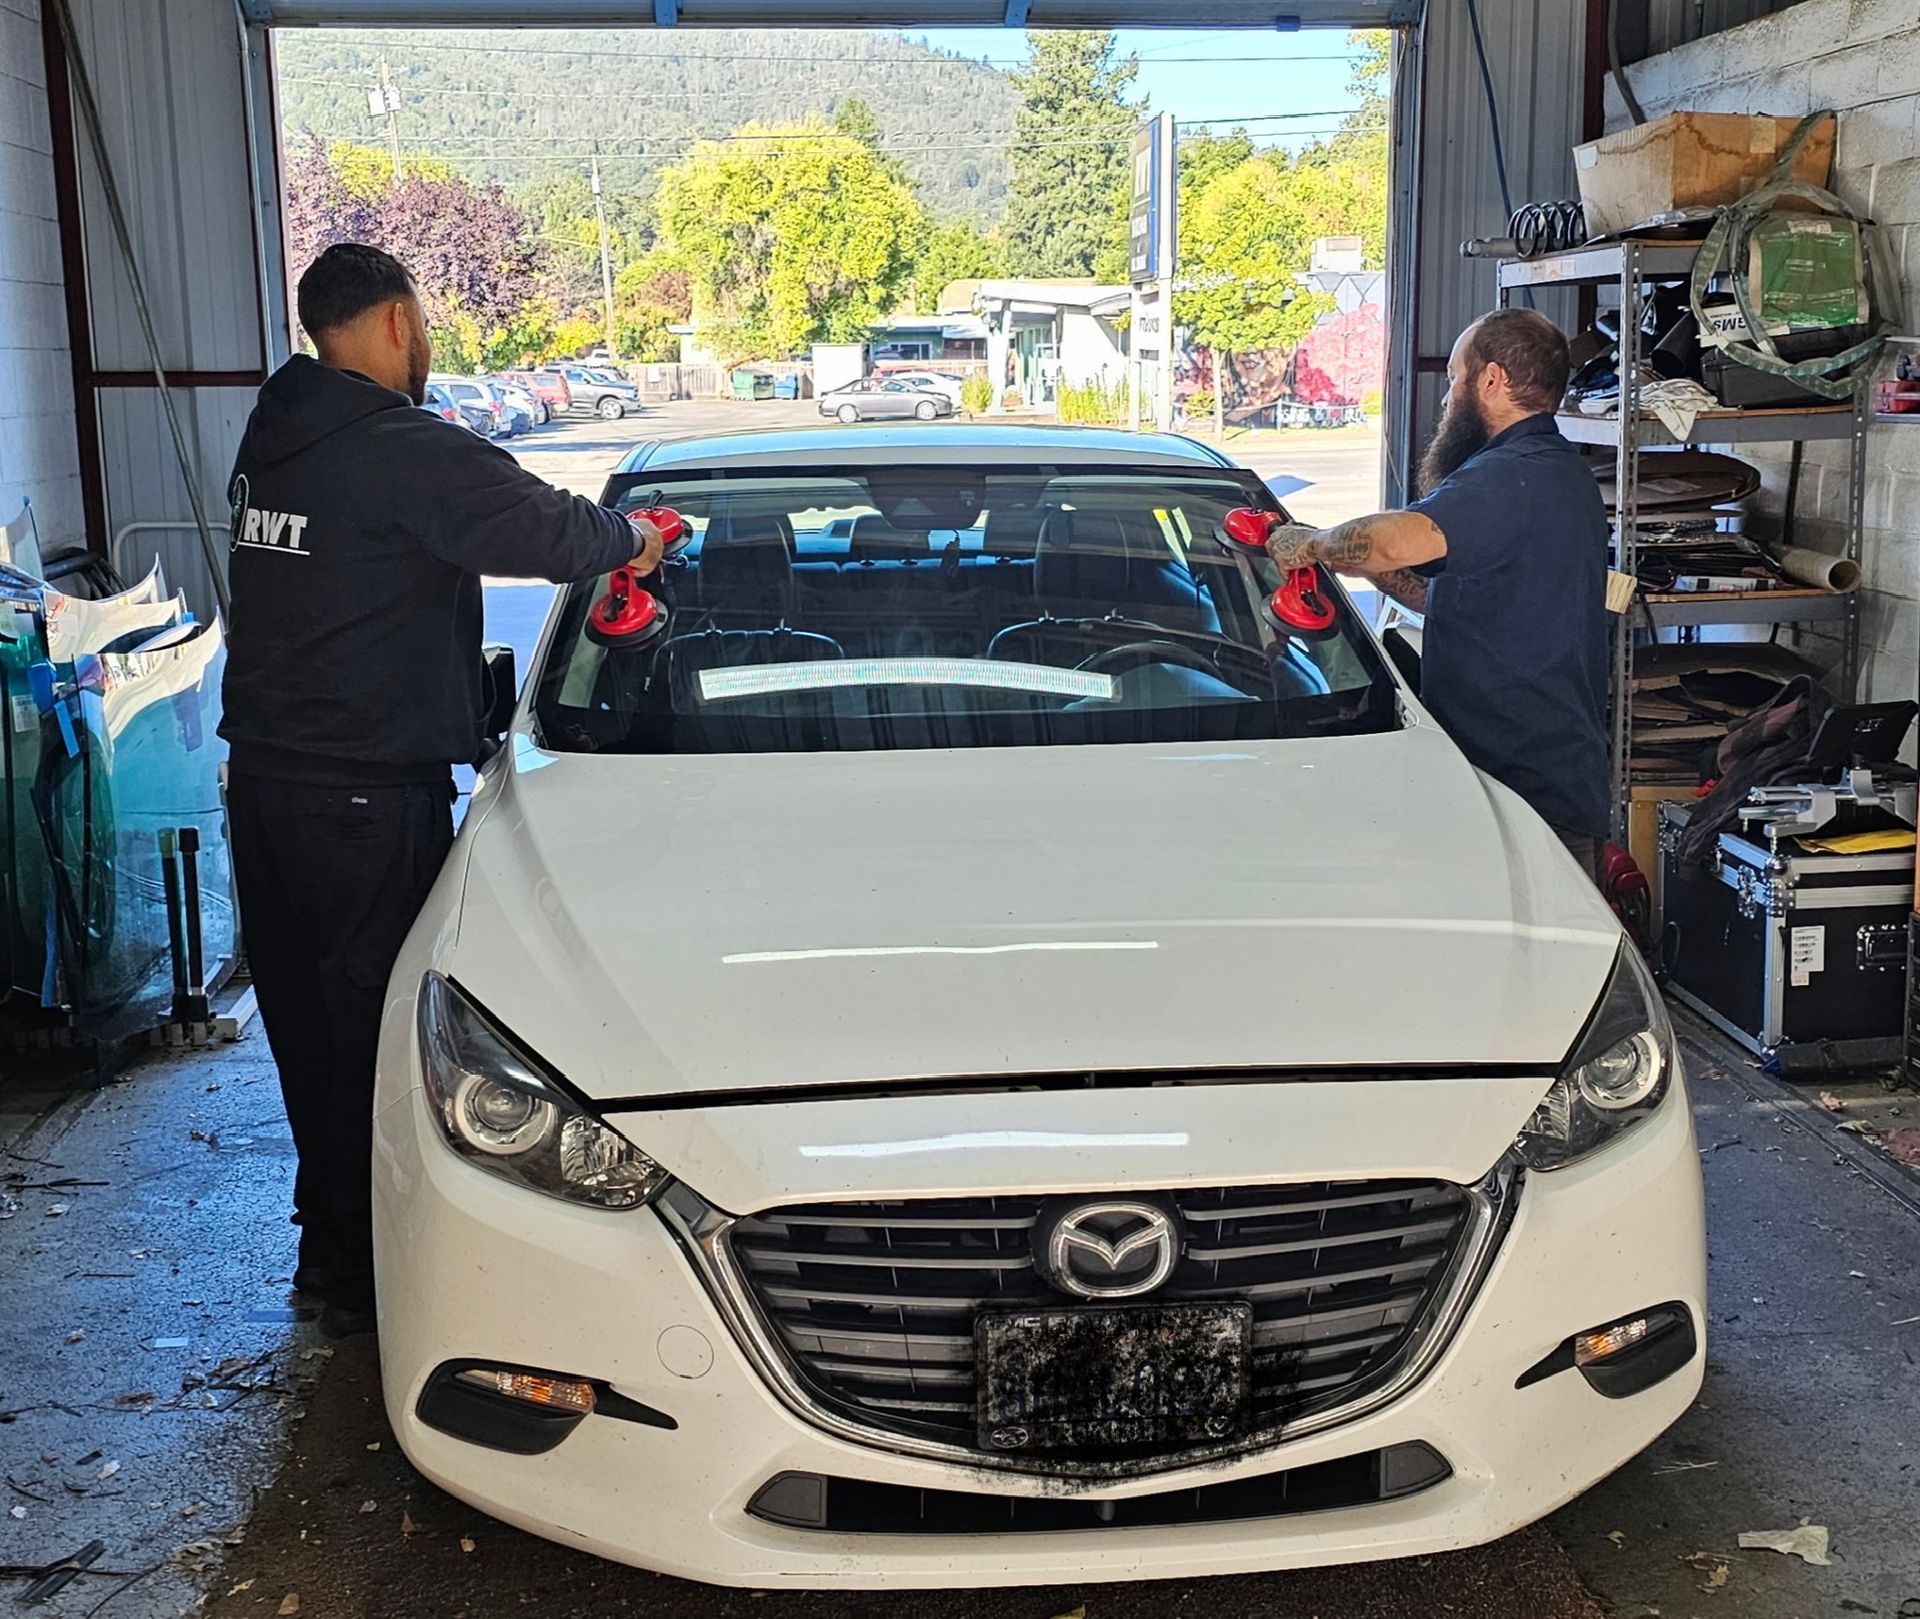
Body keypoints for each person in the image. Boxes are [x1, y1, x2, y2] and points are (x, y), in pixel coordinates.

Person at [220, 243, 669, 1337]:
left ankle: (332, 1254)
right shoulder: (393, 445)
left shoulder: (275, 433)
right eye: (417, 323)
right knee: (382, 1040)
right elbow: (544, 528)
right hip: (365, 792)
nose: (424, 346)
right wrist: (636, 539)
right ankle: (388, 1279)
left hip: (266, 785)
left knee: (311, 1033)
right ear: (390, 322)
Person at [1262, 308, 1610, 878]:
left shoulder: (1510, 476)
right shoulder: (1555, 472)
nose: (1448, 398)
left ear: (1492, 380)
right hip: (1514, 779)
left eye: (1454, 378)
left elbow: (1398, 541)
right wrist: (1366, 569)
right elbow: (1445, 595)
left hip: (1525, 795)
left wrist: (1317, 544)